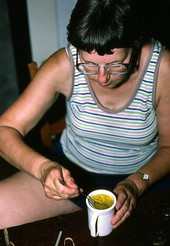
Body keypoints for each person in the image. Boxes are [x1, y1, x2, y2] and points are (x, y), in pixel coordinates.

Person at [0, 0, 170, 229]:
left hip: (146, 178)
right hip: (73, 173)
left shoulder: (163, 68)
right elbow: (5, 129)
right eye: (89, 65)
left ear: (136, 45)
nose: (102, 78)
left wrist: (137, 183)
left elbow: (168, 147)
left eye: (116, 65)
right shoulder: (64, 63)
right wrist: (43, 169)